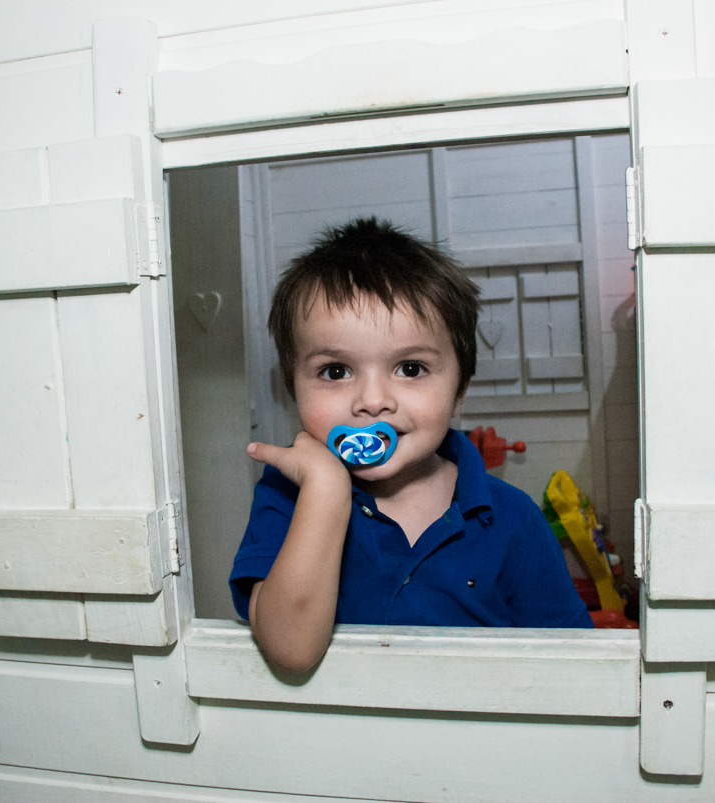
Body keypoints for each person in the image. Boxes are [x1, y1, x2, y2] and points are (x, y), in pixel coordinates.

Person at [230, 217, 592, 672]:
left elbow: (574, 667)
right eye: (336, 371)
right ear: (292, 389)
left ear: (459, 391)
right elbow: (291, 652)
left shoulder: (513, 518)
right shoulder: (288, 496)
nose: (373, 401)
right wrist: (324, 492)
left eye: (411, 368)